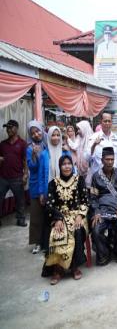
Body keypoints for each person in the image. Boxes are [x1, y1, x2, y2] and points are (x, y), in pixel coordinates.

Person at [42, 155, 89, 284]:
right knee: (56, 232)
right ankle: (58, 268)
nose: (67, 166)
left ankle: (74, 266)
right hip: (60, 217)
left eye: (69, 163)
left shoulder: (79, 180)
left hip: (77, 216)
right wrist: (57, 219)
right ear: (60, 166)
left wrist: (80, 216)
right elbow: (50, 205)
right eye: (64, 164)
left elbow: (85, 201)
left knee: (78, 230)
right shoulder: (53, 183)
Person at [90, 147, 117, 266]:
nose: (110, 162)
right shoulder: (96, 176)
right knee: (96, 230)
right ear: (102, 160)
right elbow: (93, 198)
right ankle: (105, 253)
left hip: (116, 210)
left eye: (112, 159)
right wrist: (96, 212)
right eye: (107, 159)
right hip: (102, 211)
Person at [0, 119, 28, 227]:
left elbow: (25, 160)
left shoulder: (22, 144)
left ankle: (20, 219)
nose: (8, 130)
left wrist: (25, 175)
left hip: (17, 177)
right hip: (3, 177)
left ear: (16, 129)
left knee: (20, 200)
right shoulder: (2, 144)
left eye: (10, 127)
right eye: (7, 128)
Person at [27, 120, 49, 254]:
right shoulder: (29, 148)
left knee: (49, 214)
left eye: (38, 130)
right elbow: (32, 167)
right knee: (36, 215)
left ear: (42, 129)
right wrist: (35, 155)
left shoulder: (49, 144)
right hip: (36, 186)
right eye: (33, 133)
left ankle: (47, 241)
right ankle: (37, 242)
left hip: (48, 184)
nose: (36, 134)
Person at [89, 112, 117, 176]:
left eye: (109, 121)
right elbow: (88, 158)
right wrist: (94, 145)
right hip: (99, 176)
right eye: (105, 121)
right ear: (101, 122)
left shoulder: (115, 137)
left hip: (114, 176)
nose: (107, 123)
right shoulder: (94, 137)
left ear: (111, 122)